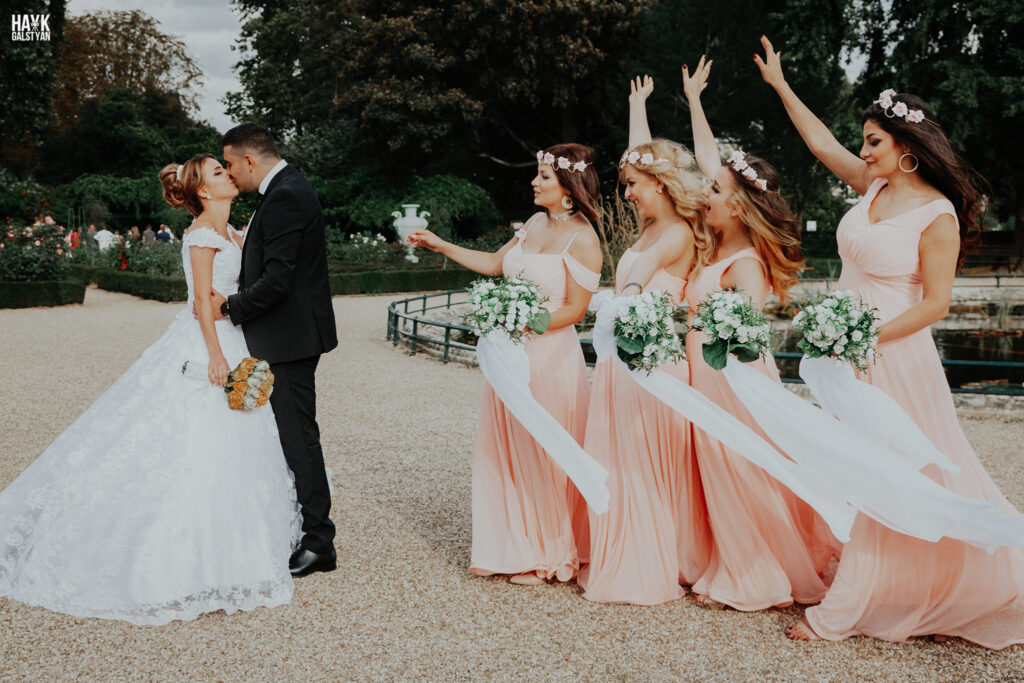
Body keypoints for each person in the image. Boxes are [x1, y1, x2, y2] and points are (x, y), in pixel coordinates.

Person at [757, 35, 1024, 648]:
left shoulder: (937, 214)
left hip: (893, 356)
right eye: (864, 141)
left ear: (906, 147)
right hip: (848, 355)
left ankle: (846, 610)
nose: (863, 151)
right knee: (859, 468)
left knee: (891, 471)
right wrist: (781, 85)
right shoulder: (871, 187)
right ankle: (877, 583)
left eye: (874, 141)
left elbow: (935, 304)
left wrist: (860, 337)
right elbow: (821, 144)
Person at [0, 153, 301, 626]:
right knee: (195, 441)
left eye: (225, 169)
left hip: (237, 335)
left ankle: (238, 552)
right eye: (218, 172)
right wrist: (215, 355)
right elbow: (200, 300)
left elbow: (238, 291)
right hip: (209, 343)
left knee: (240, 440)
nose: (229, 174)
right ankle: (179, 562)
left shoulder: (234, 231)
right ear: (203, 190)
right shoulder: (202, 234)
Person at [407, 144, 603, 585]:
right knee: (509, 449)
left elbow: (575, 309)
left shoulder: (584, 239)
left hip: (550, 357)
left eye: (544, 176)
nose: (534, 182)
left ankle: (553, 553)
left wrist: (527, 322)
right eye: (537, 174)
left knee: (543, 451)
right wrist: (440, 244)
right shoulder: (534, 223)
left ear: (568, 186)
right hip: (509, 354)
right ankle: (518, 547)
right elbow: (496, 264)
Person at [681, 56, 836, 610]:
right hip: (707, 377)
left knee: (739, 469)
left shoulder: (745, 262)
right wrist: (694, 101)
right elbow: (710, 162)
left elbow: (743, 331)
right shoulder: (719, 246)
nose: (706, 193)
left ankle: (753, 574)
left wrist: (690, 323)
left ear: (740, 206)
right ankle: (727, 558)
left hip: (733, 381)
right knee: (718, 468)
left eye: (716, 191)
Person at [577, 76, 712, 604]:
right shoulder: (649, 225)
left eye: (634, 184)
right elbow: (642, 156)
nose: (627, 192)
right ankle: (631, 545)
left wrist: (626, 297)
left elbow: (644, 269)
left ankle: (650, 557)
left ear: (660, 184)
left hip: (653, 364)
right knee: (624, 458)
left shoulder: (676, 232)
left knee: (644, 463)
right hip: (626, 358)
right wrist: (637, 107)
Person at [212, 123, 339, 577]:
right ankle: (298, 527)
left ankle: (319, 543)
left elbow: (278, 280)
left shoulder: (285, 194)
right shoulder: (284, 189)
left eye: (229, 164)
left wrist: (228, 306)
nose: (229, 172)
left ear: (249, 160)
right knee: (287, 437)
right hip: (287, 335)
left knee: (299, 438)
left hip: (289, 340)